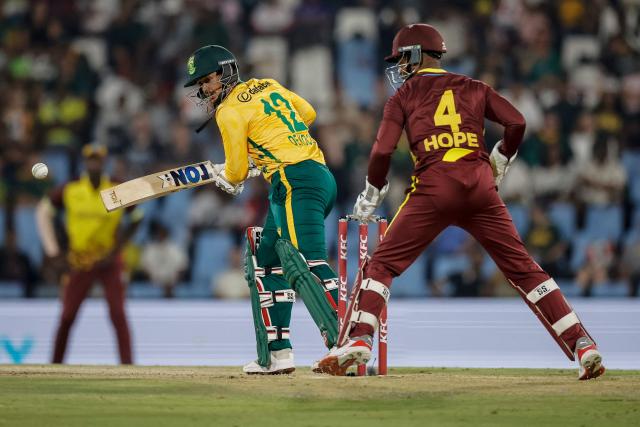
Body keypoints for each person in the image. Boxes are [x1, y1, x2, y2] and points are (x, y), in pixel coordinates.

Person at [317, 24, 605, 380]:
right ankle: (583, 344)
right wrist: (501, 157)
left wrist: (372, 191)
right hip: (480, 185)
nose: (400, 67)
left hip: (436, 186)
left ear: (416, 55)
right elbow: (517, 122)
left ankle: (360, 340)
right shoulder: (474, 87)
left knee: (382, 265)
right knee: (525, 270)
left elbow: (382, 150)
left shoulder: (403, 96)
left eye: (402, 59)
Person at [184, 45, 339, 374]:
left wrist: (229, 179)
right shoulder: (267, 84)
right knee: (267, 261)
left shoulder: (228, 112)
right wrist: (271, 142)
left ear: (225, 73)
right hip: (313, 177)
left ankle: (349, 343)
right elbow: (308, 114)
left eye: (206, 80)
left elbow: (236, 171)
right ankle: (277, 355)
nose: (203, 90)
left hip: (295, 181)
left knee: (307, 263)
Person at [35, 144, 142, 364]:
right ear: (85, 162)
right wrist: (53, 252)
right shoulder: (72, 189)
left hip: (108, 260)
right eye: (90, 160)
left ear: (104, 163)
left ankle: (128, 367)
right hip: (79, 260)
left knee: (118, 314)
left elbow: (137, 217)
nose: (94, 164)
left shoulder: (115, 188)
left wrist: (115, 250)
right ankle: (55, 365)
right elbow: (43, 212)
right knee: (67, 315)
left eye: (98, 160)